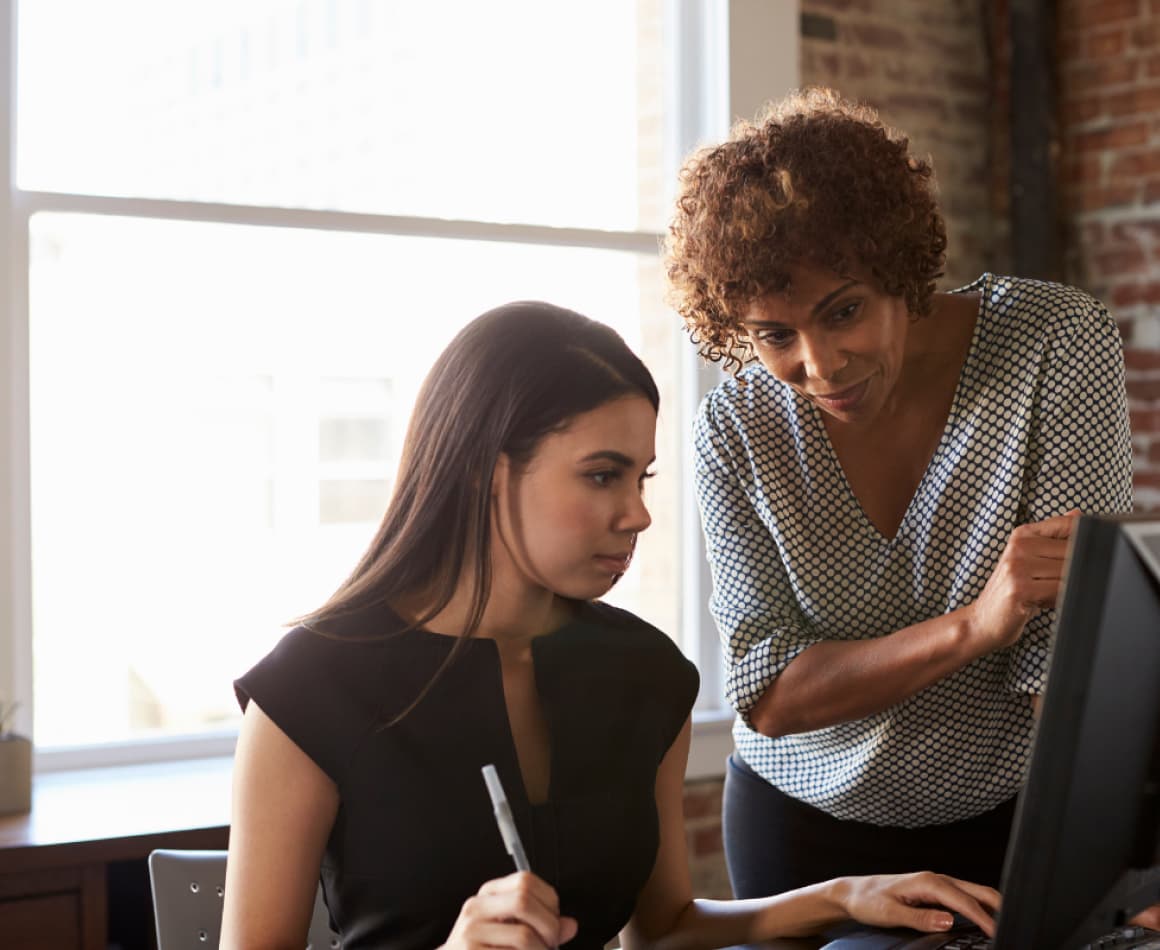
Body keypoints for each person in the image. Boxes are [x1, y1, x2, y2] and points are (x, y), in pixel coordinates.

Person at [220, 300, 1001, 950]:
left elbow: (661, 928)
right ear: (485, 471)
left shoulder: (646, 674)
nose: (637, 514)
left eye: (640, 477)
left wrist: (845, 895)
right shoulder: (309, 692)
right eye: (601, 475)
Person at [663, 87, 1134, 900]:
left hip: (1014, 818)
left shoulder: (1053, 342)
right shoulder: (733, 429)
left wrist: (1115, 863)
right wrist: (977, 625)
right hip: (798, 832)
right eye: (776, 335)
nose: (823, 365)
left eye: (842, 311)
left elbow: (1066, 652)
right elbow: (768, 690)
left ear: (899, 268)